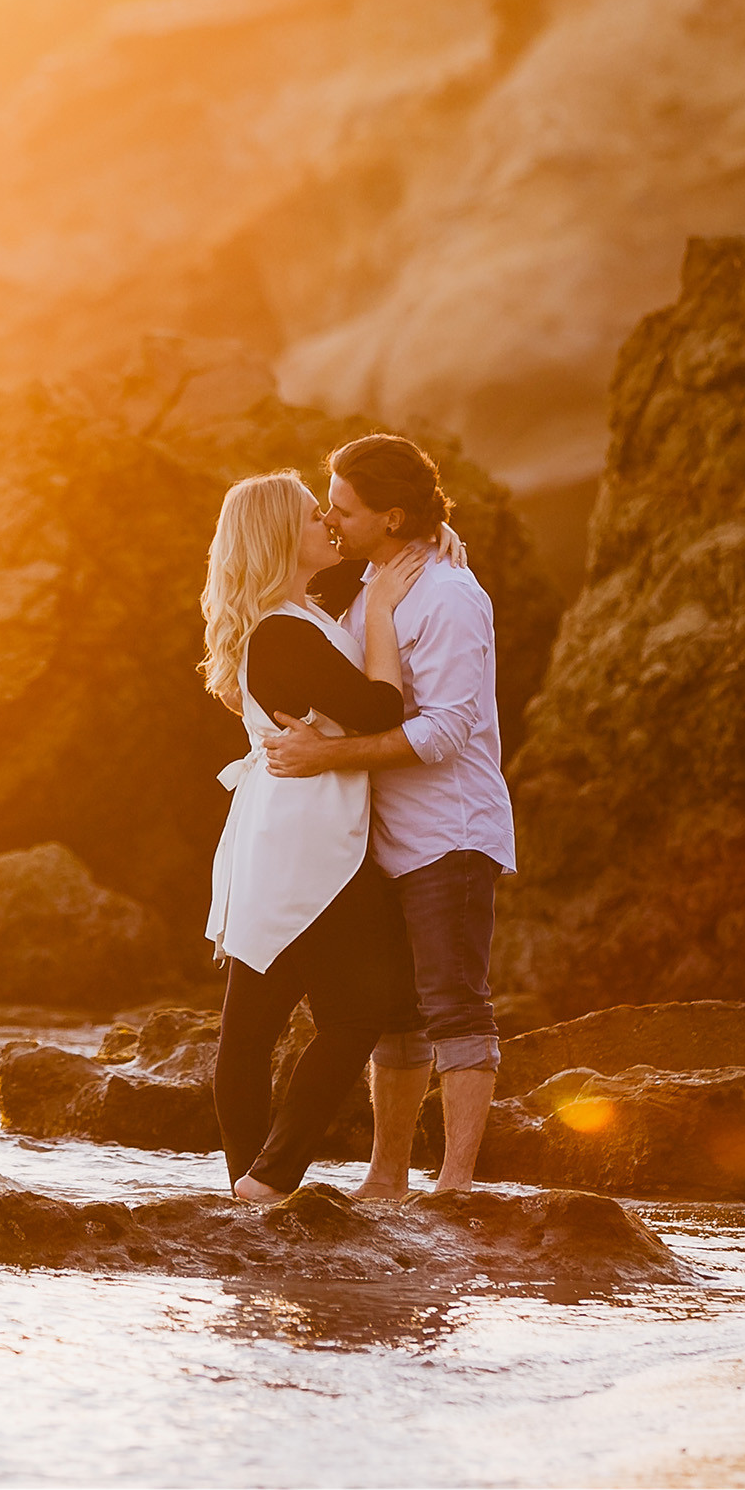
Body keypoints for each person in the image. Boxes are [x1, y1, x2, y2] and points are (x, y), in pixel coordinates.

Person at [263, 434, 518, 1195]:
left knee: (454, 1004)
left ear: (394, 516)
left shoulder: (448, 597)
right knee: (396, 1013)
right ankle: (386, 1177)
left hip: (451, 835)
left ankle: (458, 1182)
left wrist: (323, 758)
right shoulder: (378, 575)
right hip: (378, 839)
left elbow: (444, 733)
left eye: (343, 506)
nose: (329, 517)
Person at [198, 470, 432, 1203]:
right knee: (345, 1013)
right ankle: (263, 1181)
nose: (326, 525)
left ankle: (253, 1186)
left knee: (261, 1024)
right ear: (275, 537)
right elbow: (377, 707)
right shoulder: (280, 632)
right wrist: (388, 608)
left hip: (296, 835)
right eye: (310, 517)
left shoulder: (299, 619)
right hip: (304, 845)